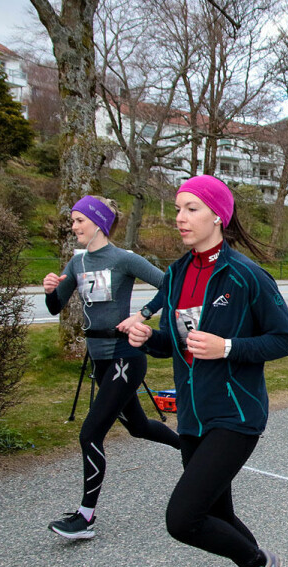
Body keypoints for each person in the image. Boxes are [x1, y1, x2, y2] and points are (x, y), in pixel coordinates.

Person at [127, 176, 288, 567]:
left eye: (190, 209)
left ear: (217, 216)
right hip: (191, 417)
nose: (180, 218)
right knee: (215, 512)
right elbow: (177, 343)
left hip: (235, 414)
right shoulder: (178, 273)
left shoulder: (246, 275)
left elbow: (286, 339)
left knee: (182, 519)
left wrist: (228, 347)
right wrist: (149, 338)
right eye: (179, 208)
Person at [43, 196, 181, 540]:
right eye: (72, 221)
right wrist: (49, 291)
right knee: (137, 427)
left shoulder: (124, 259)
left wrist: (143, 314)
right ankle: (191, 449)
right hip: (101, 360)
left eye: (79, 221)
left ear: (98, 223)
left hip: (126, 357)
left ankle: (86, 517)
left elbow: (171, 286)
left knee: (90, 433)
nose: (73, 227)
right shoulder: (77, 264)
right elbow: (54, 306)